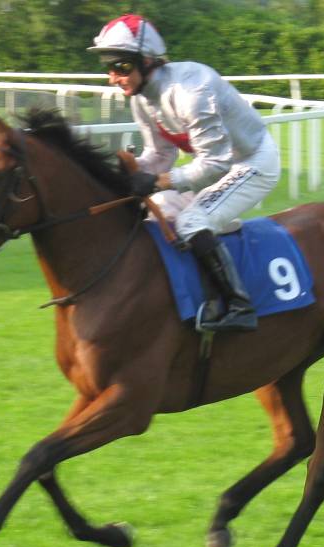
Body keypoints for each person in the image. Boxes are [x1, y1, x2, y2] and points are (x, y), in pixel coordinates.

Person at [88, 14, 280, 333]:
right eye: (108, 68)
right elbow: (161, 154)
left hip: (253, 163)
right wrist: (127, 175)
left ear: (147, 61)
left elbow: (215, 164)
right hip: (214, 165)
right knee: (161, 209)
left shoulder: (192, 91)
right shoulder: (142, 98)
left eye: (120, 67)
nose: (113, 78)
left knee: (193, 220)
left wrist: (157, 181)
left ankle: (239, 305)